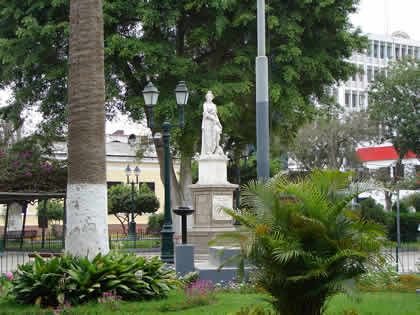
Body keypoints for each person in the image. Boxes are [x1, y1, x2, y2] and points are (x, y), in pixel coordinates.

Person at [201, 91, 223, 157]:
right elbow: (205, 113)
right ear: (206, 98)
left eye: (210, 96)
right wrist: (212, 117)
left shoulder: (214, 105)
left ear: (212, 98)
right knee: (208, 137)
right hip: (207, 122)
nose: (209, 98)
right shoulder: (205, 104)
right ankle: (208, 151)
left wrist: (219, 124)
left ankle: (214, 150)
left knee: (215, 136)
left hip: (214, 122)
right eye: (208, 97)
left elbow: (215, 115)